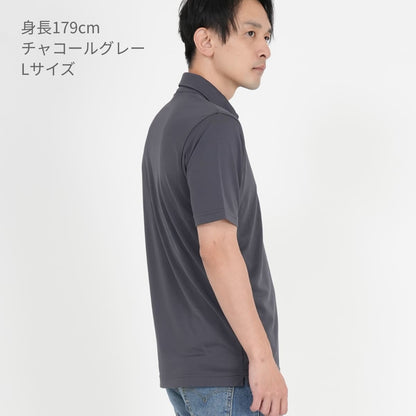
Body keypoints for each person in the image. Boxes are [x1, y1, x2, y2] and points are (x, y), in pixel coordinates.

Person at [141, 0, 288, 415]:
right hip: (229, 373)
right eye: (250, 33)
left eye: (267, 36)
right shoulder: (214, 126)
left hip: (186, 371)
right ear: (205, 40)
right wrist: (262, 358)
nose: (264, 49)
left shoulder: (166, 122)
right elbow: (217, 248)